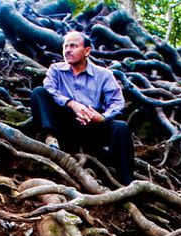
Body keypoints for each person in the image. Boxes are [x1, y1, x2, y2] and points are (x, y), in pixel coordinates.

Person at [30, 31, 134, 184]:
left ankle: (126, 183)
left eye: (73, 46)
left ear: (87, 51)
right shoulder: (56, 70)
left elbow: (117, 103)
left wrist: (102, 117)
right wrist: (72, 104)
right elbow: (49, 88)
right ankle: (50, 137)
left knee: (121, 128)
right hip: (63, 125)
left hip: (91, 126)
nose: (68, 50)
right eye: (65, 46)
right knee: (39, 93)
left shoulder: (103, 75)